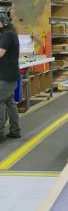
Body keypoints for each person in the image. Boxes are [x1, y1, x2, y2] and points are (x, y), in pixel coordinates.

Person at [0, 10, 21, 142]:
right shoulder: (8, 34)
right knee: (9, 101)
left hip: (6, 75)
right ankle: (15, 131)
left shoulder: (7, 35)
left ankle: (0, 133)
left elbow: (0, 53)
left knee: (0, 101)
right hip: (10, 74)